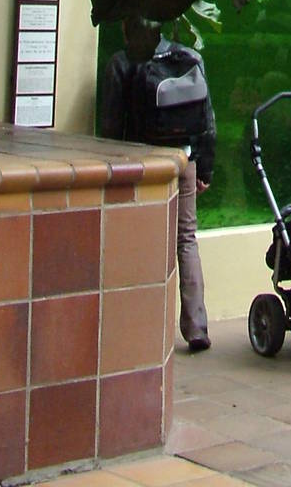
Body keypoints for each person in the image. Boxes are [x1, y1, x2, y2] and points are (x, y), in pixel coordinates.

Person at [101, 18, 215, 352]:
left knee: (140, 240)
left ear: (126, 29)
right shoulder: (190, 57)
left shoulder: (121, 64)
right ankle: (196, 326)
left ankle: (142, 326)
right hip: (184, 160)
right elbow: (207, 120)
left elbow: (111, 126)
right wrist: (205, 168)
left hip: (144, 166)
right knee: (186, 238)